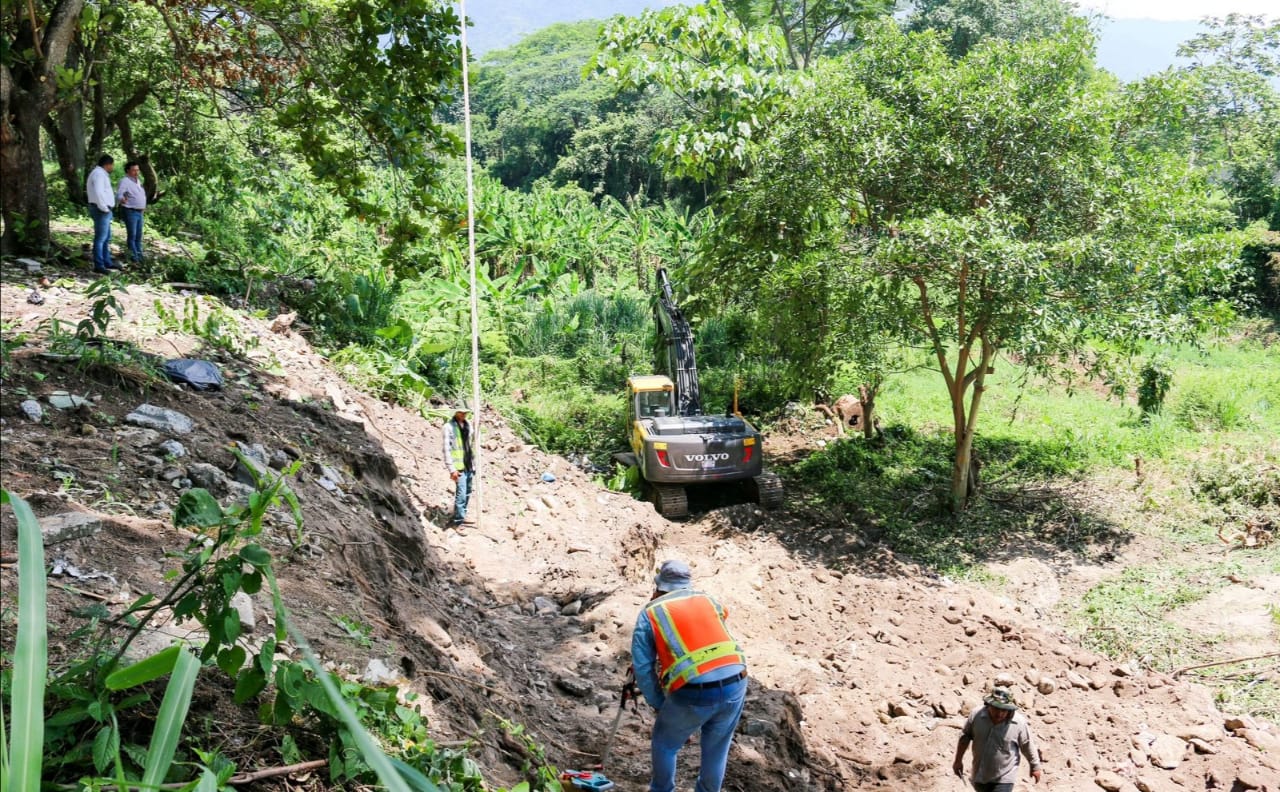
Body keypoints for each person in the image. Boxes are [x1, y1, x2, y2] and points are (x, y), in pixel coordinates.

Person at [632, 559, 748, 792]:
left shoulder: (651, 613)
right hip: (737, 679)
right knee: (717, 749)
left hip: (694, 688)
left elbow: (643, 668)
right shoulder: (708, 600)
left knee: (665, 744)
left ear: (658, 586)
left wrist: (660, 704)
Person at [953, 687, 1043, 792]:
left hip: (1005, 776)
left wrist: (1035, 766)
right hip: (980, 775)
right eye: (996, 708)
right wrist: (958, 761)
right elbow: (965, 737)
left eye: (1004, 710)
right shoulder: (977, 716)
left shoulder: (1019, 723)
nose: (999, 714)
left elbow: (1027, 744)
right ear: (989, 705)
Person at [442, 402, 475, 525]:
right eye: (461, 412)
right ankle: (457, 521)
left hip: (469, 464)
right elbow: (446, 449)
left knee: (467, 492)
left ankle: (462, 515)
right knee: (461, 494)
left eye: (465, 412)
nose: (463, 415)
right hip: (458, 467)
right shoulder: (448, 427)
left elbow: (473, 443)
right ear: (455, 412)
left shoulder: (469, 425)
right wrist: (451, 469)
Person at [85, 155, 118, 273]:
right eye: (112, 165)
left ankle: (107, 261)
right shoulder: (98, 174)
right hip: (101, 209)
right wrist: (104, 208)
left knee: (106, 237)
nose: (112, 167)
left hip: (103, 209)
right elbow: (99, 192)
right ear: (107, 164)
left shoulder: (100, 173)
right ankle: (99, 265)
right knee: (101, 238)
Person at [114, 160, 146, 263]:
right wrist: (122, 198)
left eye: (138, 170)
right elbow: (119, 194)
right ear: (128, 171)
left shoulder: (138, 181)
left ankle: (139, 257)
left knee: (138, 235)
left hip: (139, 212)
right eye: (134, 170)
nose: (136, 172)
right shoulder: (125, 181)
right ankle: (134, 257)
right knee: (132, 235)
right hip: (130, 211)